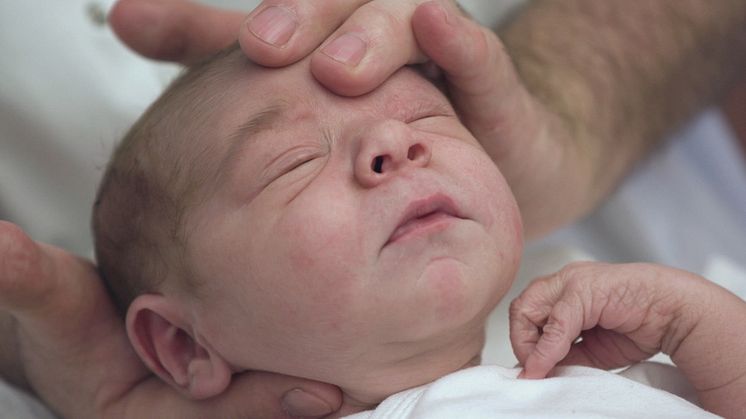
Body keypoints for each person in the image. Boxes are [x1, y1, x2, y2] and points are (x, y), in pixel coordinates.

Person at [0, 0, 744, 417]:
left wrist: (697, 321)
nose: (396, 141)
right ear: (185, 345)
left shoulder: (613, 352)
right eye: (291, 162)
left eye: (429, 118)